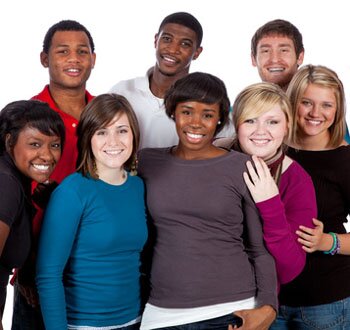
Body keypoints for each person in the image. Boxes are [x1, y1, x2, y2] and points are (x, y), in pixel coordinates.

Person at [138, 72, 277, 330]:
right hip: (162, 312)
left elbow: (260, 249)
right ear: (173, 112)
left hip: (231, 311)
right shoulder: (147, 162)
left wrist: (268, 308)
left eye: (208, 114)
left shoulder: (242, 167)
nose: (196, 123)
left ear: (220, 119)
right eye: (187, 111)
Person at [36, 94, 148, 330]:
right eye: (102, 132)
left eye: (122, 130)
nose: (114, 141)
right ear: (88, 138)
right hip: (84, 324)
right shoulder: (72, 192)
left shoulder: (137, 187)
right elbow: (48, 276)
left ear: (134, 135)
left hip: (135, 321)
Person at [12, 19, 96, 330]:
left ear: (93, 59)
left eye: (82, 51)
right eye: (63, 51)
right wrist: (25, 264)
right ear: (45, 58)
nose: (73, 59)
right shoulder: (23, 118)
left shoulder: (106, 116)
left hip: (95, 268)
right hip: (38, 269)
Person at [271, 64, 350, 329]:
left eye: (326, 105)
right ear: (292, 102)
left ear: (338, 110)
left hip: (325, 302)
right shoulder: (271, 147)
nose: (316, 113)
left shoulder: (345, 160)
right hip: (268, 300)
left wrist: (327, 241)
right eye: (306, 102)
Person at [229, 82, 316, 287]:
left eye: (272, 122)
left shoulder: (297, 181)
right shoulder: (214, 157)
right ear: (236, 124)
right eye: (250, 120)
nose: (261, 131)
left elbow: (290, 269)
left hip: (254, 298)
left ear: (287, 126)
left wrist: (270, 205)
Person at [0, 100, 64, 330]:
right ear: (9, 142)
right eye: (35, 144)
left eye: (55, 145)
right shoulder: (6, 183)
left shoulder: (17, 181)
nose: (47, 155)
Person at [109, 12, 203, 149]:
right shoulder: (122, 91)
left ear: (197, 53)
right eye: (167, 39)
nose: (172, 49)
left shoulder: (205, 102)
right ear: (156, 40)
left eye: (185, 44)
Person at [251, 19, 304, 92]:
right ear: (253, 59)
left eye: (283, 50)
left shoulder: (320, 99)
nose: (274, 59)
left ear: (300, 57)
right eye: (266, 51)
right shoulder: (243, 103)